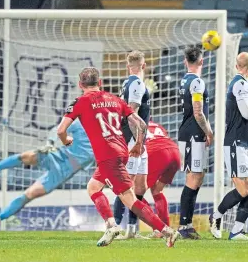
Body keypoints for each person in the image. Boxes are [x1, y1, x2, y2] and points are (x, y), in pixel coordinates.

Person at [58, 67, 179, 247]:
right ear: (100, 83)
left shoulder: (80, 102)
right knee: (93, 187)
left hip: (108, 157)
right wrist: (139, 143)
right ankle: (111, 225)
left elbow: (61, 130)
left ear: (80, 84)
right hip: (122, 152)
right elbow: (141, 123)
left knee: (129, 199)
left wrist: (66, 140)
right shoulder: (115, 99)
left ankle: (167, 231)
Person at [0, 119, 95, 230]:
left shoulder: (108, 136)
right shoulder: (81, 121)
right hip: (58, 155)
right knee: (27, 156)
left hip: (63, 172)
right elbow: (57, 129)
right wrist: (50, 143)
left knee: (29, 194)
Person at [209, 52, 248, 240]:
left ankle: (237, 230)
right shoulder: (239, 84)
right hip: (235, 143)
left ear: (237, 66)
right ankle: (216, 216)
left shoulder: (244, 85)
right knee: (243, 190)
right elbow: (247, 113)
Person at [114, 121, 180, 239]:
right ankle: (165, 228)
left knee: (129, 191)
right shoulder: (157, 125)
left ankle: (159, 228)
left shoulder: (130, 124)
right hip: (174, 152)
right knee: (157, 190)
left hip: (155, 152)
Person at [113, 50, 151, 239]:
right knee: (126, 185)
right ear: (143, 66)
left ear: (128, 66)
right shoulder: (136, 83)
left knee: (140, 186)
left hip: (139, 140)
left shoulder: (126, 82)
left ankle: (132, 229)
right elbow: (132, 116)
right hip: (132, 140)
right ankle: (116, 227)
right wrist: (137, 142)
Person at [177, 46, 214, 239]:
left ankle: (186, 224)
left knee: (195, 177)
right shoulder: (197, 82)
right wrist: (209, 131)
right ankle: (184, 226)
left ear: (185, 61)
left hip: (187, 132)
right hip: (194, 134)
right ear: (201, 61)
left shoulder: (184, 80)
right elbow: (198, 112)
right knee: (194, 177)